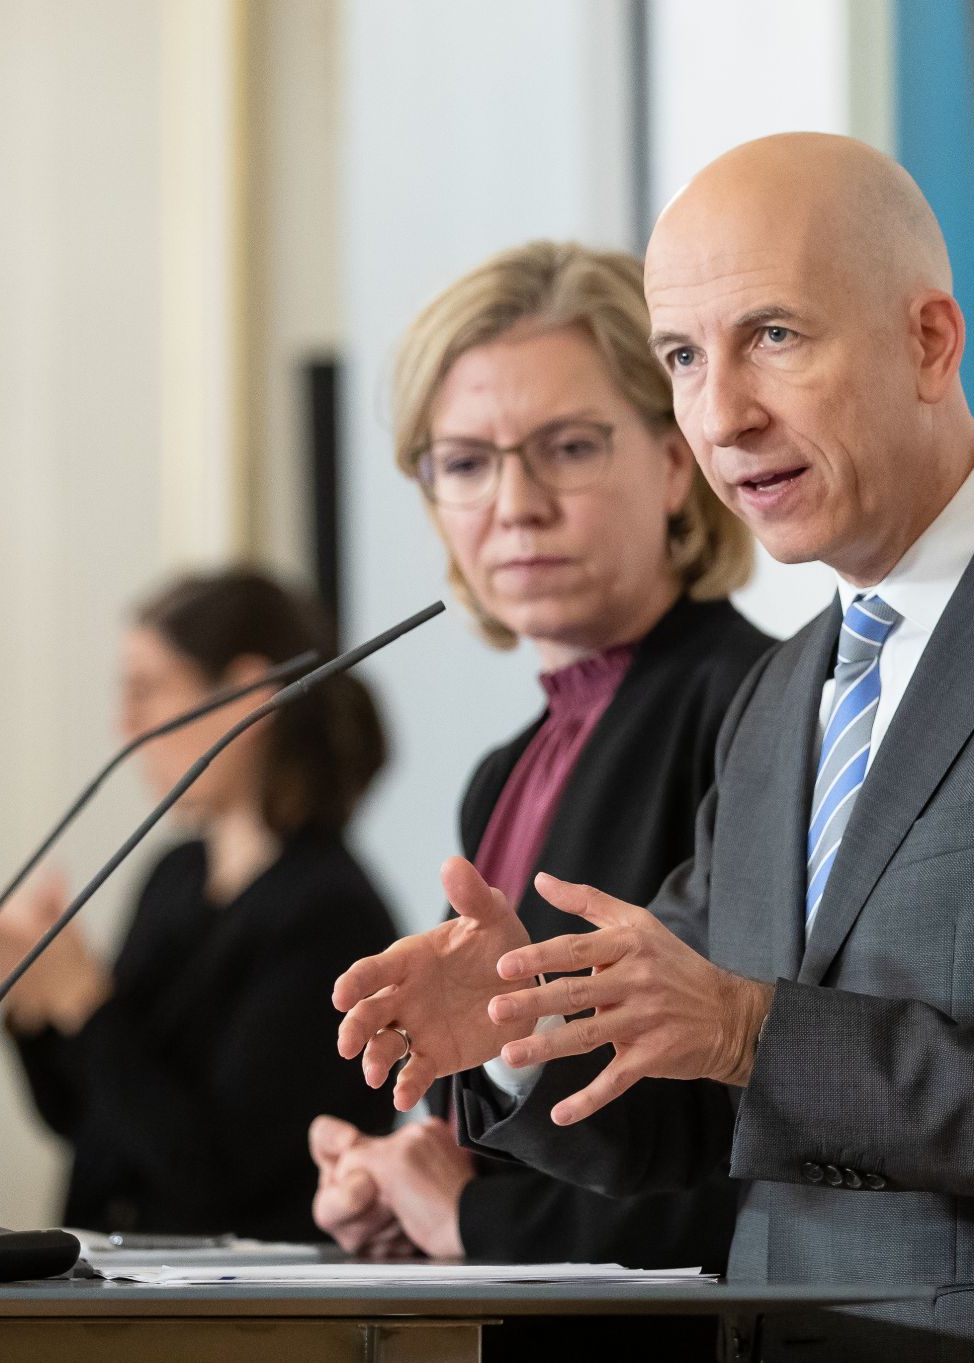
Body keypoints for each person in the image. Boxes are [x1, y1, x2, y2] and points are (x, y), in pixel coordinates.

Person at [333, 135, 974, 1362]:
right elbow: (692, 1111)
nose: (723, 415)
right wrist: (527, 1029)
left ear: (929, 342)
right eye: (684, 358)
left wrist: (756, 1031)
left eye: (775, 338)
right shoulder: (784, 689)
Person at [308, 241, 769, 1275]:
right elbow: (508, 1093)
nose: (513, 505)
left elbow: (745, 1142)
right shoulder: (503, 769)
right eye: (465, 462)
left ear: (670, 461)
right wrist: (402, 1176)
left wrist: (473, 1223)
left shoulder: (759, 708)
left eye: (566, 448)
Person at [0, 568, 398, 1241]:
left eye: (147, 690)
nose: (125, 724)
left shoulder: (330, 914)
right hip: (108, 1276)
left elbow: (214, 1173)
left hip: (238, 1313)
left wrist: (86, 1005)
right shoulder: (175, 876)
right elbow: (91, 1123)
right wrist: (40, 1003)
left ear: (246, 695)